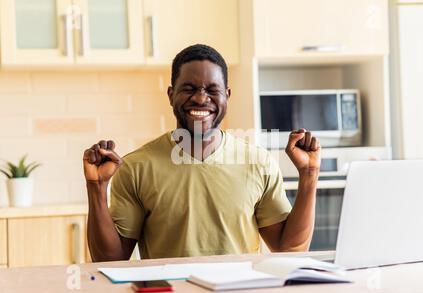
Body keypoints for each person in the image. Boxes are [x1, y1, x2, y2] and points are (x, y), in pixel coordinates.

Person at [83, 44, 321, 262]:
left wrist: (309, 174)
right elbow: (110, 262)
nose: (200, 98)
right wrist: (97, 187)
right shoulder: (136, 167)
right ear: (170, 95)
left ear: (227, 96)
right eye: (188, 88)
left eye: (212, 89)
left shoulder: (258, 163)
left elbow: (289, 252)